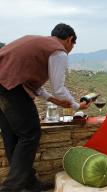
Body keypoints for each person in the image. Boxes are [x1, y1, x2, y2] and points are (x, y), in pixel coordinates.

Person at [0, 23, 91, 192]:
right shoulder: (58, 51)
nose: (70, 50)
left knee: (12, 135)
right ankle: (11, 188)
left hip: (4, 85)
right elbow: (59, 88)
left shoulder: (36, 42)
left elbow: (36, 86)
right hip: (10, 87)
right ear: (70, 39)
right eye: (73, 45)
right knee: (30, 133)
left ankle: (27, 182)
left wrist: (54, 100)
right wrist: (77, 105)